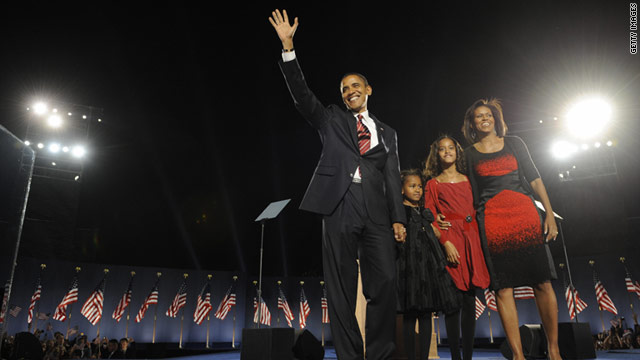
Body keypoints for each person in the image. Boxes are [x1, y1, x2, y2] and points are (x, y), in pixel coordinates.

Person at [269, 9, 407, 360]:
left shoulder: (388, 133)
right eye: (345, 88)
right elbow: (302, 97)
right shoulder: (331, 118)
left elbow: (393, 177)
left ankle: (379, 354)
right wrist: (288, 48)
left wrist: (398, 219)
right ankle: (349, 356)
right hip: (339, 205)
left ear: (368, 90)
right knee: (341, 288)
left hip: (376, 210)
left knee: (386, 283)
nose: (350, 92)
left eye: (355, 86)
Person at [461, 98, 561, 360]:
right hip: (492, 223)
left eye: (488, 115)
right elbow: (470, 193)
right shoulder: (469, 154)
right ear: (472, 123)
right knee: (503, 288)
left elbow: (535, 178)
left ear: (495, 119)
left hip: (525, 216)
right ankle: (518, 356)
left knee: (542, 282)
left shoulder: (516, 143)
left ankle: (554, 350)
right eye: (478, 116)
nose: (484, 119)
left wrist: (549, 214)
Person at [423, 135, 490, 360]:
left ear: (457, 151)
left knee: (470, 302)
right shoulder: (433, 184)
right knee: (453, 304)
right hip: (451, 240)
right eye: (442, 149)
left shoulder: (470, 180)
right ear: (436, 154)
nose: (447, 152)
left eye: (451, 148)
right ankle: (455, 356)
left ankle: (468, 357)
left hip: (472, 239)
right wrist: (445, 242)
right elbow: (430, 217)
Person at [397, 169, 459, 360]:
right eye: (412, 186)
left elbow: (435, 235)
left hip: (428, 268)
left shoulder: (426, 213)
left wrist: (441, 230)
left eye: (419, 186)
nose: (417, 190)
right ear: (402, 189)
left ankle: (423, 356)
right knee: (410, 314)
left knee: (426, 313)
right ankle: (409, 356)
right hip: (409, 268)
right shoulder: (400, 213)